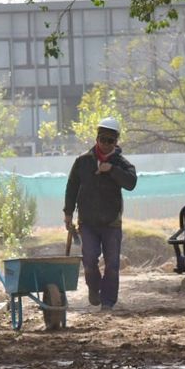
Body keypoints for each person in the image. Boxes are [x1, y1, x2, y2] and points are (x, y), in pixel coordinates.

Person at [63, 117, 138, 311]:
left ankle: (108, 302)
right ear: (97, 138)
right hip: (87, 222)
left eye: (110, 141)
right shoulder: (83, 162)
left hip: (111, 222)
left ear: (116, 141)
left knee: (112, 264)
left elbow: (131, 183)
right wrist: (68, 213)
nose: (105, 144)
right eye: (102, 139)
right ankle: (93, 289)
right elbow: (72, 187)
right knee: (89, 261)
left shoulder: (121, 164)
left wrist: (112, 169)